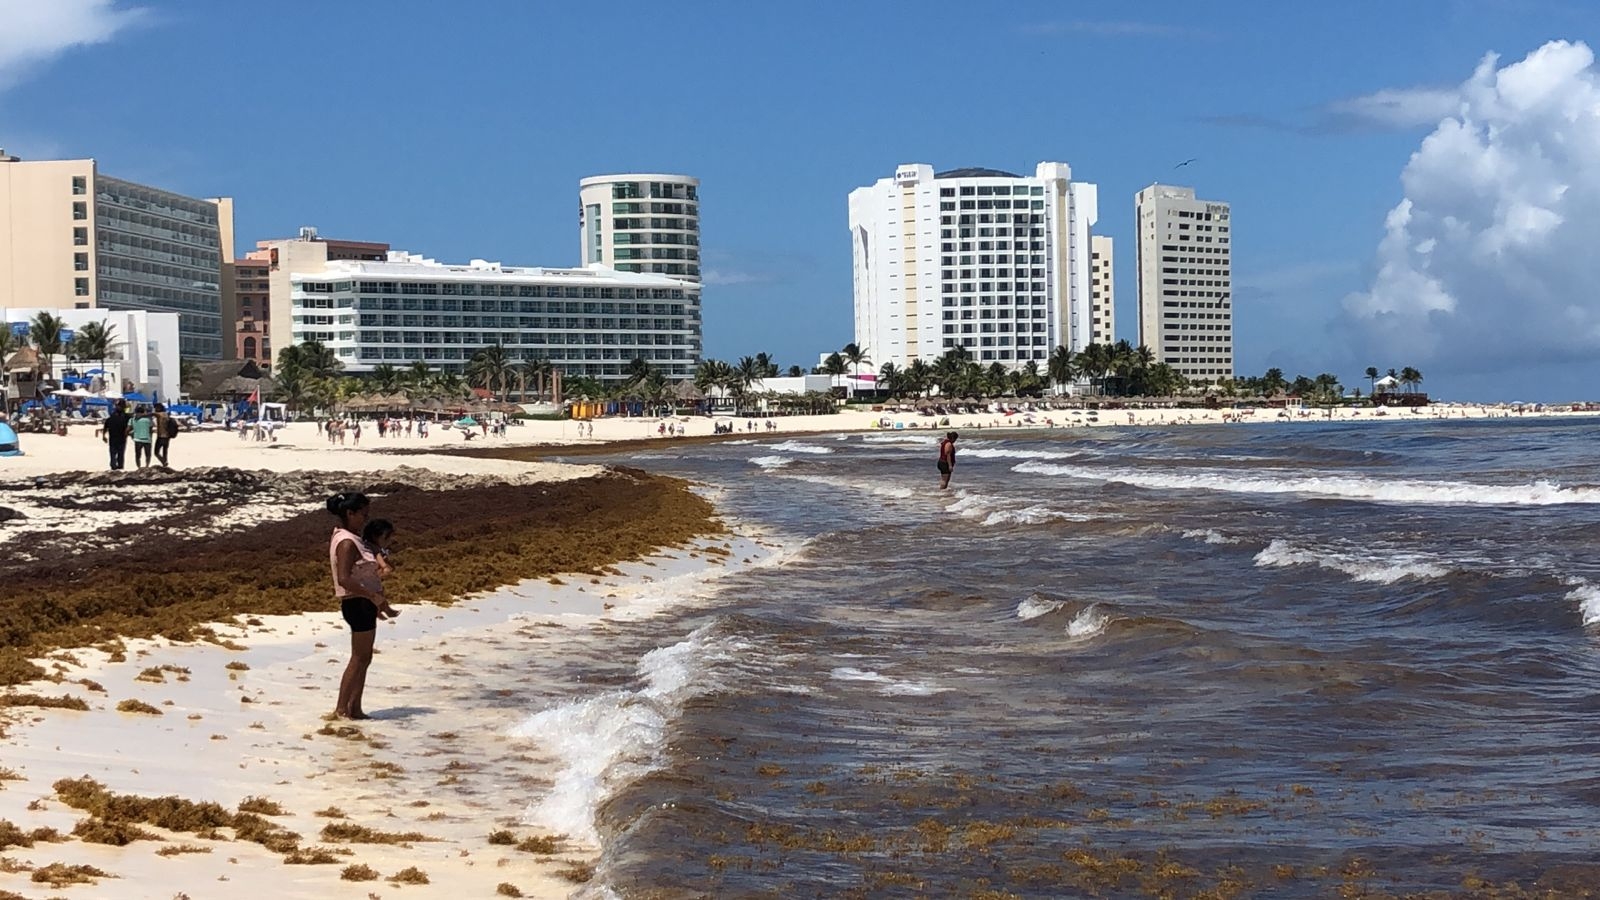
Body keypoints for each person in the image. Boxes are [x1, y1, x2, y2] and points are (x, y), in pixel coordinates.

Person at [327, 492, 396, 720]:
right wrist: (373, 597)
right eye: (363, 515)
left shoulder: (353, 538)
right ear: (350, 513)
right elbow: (344, 578)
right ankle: (341, 709)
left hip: (363, 602)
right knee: (358, 658)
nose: (366, 519)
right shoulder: (346, 542)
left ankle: (354, 708)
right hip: (357, 603)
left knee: (365, 658)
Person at [104, 399, 130, 470]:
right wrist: (104, 435)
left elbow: (130, 426)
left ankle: (118, 466)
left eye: (119, 406)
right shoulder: (124, 416)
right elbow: (106, 425)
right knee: (114, 453)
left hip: (121, 438)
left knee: (119, 454)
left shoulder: (126, 417)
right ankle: (115, 466)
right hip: (114, 437)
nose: (118, 407)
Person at [152, 402, 175, 468]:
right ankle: (165, 463)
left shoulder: (159, 414)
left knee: (156, 452)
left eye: (155, 408)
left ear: (158, 408)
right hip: (167, 436)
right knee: (165, 451)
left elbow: (150, 414)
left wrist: (140, 415)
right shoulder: (166, 414)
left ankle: (164, 462)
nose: (155, 409)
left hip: (161, 436)